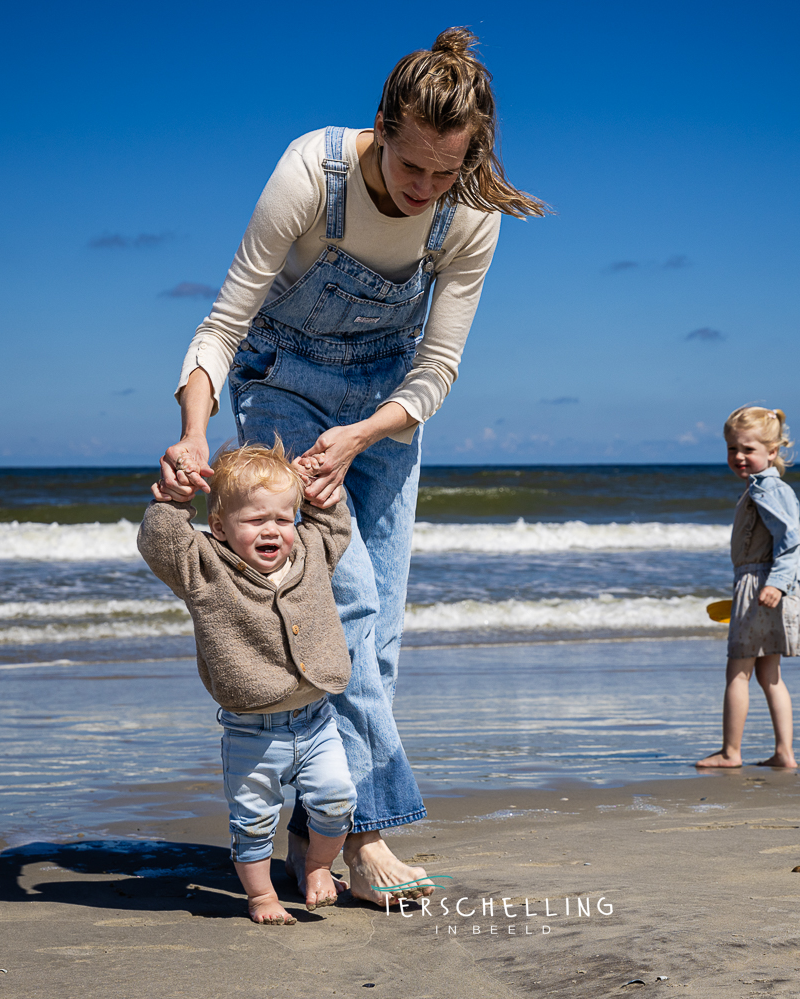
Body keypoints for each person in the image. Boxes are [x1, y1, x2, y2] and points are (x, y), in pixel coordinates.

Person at [154, 27, 546, 904]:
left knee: (383, 626)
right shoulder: (311, 172)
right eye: (414, 169)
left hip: (385, 413)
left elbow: (438, 367)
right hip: (283, 385)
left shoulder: (469, 211)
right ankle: (367, 834)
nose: (427, 191)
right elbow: (223, 324)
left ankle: (316, 829)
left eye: (448, 173)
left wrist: (365, 433)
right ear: (381, 128)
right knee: (350, 595)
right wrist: (191, 431)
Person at [137, 439, 357, 925]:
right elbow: (161, 542)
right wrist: (173, 501)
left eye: (282, 519)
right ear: (219, 526)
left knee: (338, 797)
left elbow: (332, 527)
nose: (273, 530)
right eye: (256, 521)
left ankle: (318, 866)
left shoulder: (311, 552)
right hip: (251, 733)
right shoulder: (204, 565)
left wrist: (320, 495)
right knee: (253, 821)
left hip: (318, 721)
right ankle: (260, 897)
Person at [697, 406, 800, 769]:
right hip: (764, 584)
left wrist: (774, 583)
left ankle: (731, 752)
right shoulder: (761, 488)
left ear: (772, 451)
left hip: (763, 586)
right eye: (732, 449)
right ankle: (784, 753)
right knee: (768, 674)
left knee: (738, 672)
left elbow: (790, 541)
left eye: (748, 449)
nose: (739, 457)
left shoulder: (768, 490)